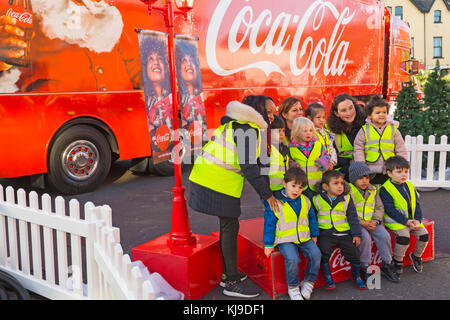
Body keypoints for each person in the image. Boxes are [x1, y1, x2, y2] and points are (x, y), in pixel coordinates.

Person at [188, 99, 281, 298]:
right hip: (214, 181)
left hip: (209, 178)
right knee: (229, 227)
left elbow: (255, 164)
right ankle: (231, 281)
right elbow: (249, 168)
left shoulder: (239, 125)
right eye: (270, 112)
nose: (273, 116)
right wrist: (268, 196)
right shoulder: (247, 129)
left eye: (274, 112)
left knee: (229, 225)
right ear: (259, 111)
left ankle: (228, 273)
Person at [0, 0, 142, 93]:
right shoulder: (40, 8)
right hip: (50, 113)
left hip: (116, 114)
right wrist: (3, 62)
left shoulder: (110, 18)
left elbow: (137, 67)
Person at [263, 167, 321, 300]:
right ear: (284, 183)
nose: (296, 190)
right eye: (293, 186)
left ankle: (308, 282)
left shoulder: (306, 200)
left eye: (300, 187)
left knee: (316, 255)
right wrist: (268, 243)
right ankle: (293, 287)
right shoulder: (275, 202)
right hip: (285, 240)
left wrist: (314, 234)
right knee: (293, 259)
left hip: (304, 238)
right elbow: (269, 224)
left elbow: (312, 218)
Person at [312, 170, 366, 290]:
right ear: (325, 187)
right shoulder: (316, 199)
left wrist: (356, 234)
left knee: (354, 253)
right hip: (325, 233)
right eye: (335, 183)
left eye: (341, 183)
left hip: (344, 233)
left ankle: (356, 276)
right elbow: (313, 219)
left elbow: (353, 217)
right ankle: (328, 277)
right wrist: (314, 234)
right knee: (324, 250)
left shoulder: (346, 199)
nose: (340, 186)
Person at [348, 161, 400, 283]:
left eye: (366, 177)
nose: (364, 181)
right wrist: (361, 222)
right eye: (360, 178)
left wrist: (376, 221)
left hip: (372, 221)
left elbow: (379, 207)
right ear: (353, 179)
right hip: (358, 223)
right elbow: (347, 211)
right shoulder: (349, 192)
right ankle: (364, 266)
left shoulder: (373, 190)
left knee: (384, 235)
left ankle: (387, 264)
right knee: (364, 238)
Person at [379, 156, 429, 276]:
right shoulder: (385, 189)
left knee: (424, 235)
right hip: (394, 220)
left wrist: (417, 220)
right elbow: (390, 210)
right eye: (399, 171)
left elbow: (417, 204)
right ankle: (397, 262)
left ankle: (416, 256)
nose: (404, 174)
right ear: (389, 173)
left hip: (411, 220)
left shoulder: (410, 185)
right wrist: (406, 222)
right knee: (404, 238)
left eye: (406, 171)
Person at [353, 96, 408, 185]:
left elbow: (400, 148)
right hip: (370, 169)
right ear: (369, 115)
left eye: (384, 112)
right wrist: (361, 164)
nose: (381, 115)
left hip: (390, 168)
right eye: (377, 112)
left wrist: (403, 164)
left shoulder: (393, 129)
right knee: (373, 191)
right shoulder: (364, 130)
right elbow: (358, 148)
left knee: (388, 190)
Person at [288, 117, 330, 200]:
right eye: (305, 131)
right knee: (304, 205)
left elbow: (326, 156)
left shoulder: (318, 145)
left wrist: (322, 162)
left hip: (316, 184)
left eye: (311, 130)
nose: (308, 133)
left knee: (316, 205)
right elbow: (289, 161)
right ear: (297, 132)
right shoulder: (291, 148)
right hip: (300, 185)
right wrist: (293, 166)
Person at [326, 93, 366, 180]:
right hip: (343, 175)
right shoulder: (330, 130)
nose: (349, 113)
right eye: (344, 110)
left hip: (365, 172)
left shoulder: (366, 124)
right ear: (336, 113)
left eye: (351, 108)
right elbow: (330, 156)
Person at [175, 40, 206, 129]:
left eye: (192, 60)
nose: (189, 64)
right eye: (184, 61)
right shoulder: (171, 100)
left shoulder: (200, 99)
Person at [305, 102, 337, 169]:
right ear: (309, 118)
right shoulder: (308, 134)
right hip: (317, 167)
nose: (322, 120)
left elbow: (331, 148)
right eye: (318, 117)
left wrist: (332, 161)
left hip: (328, 166)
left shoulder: (326, 133)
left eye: (323, 117)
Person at [268, 115, 289, 194]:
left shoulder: (284, 147)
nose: (282, 134)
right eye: (278, 131)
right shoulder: (267, 149)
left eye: (283, 131)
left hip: (284, 188)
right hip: (272, 190)